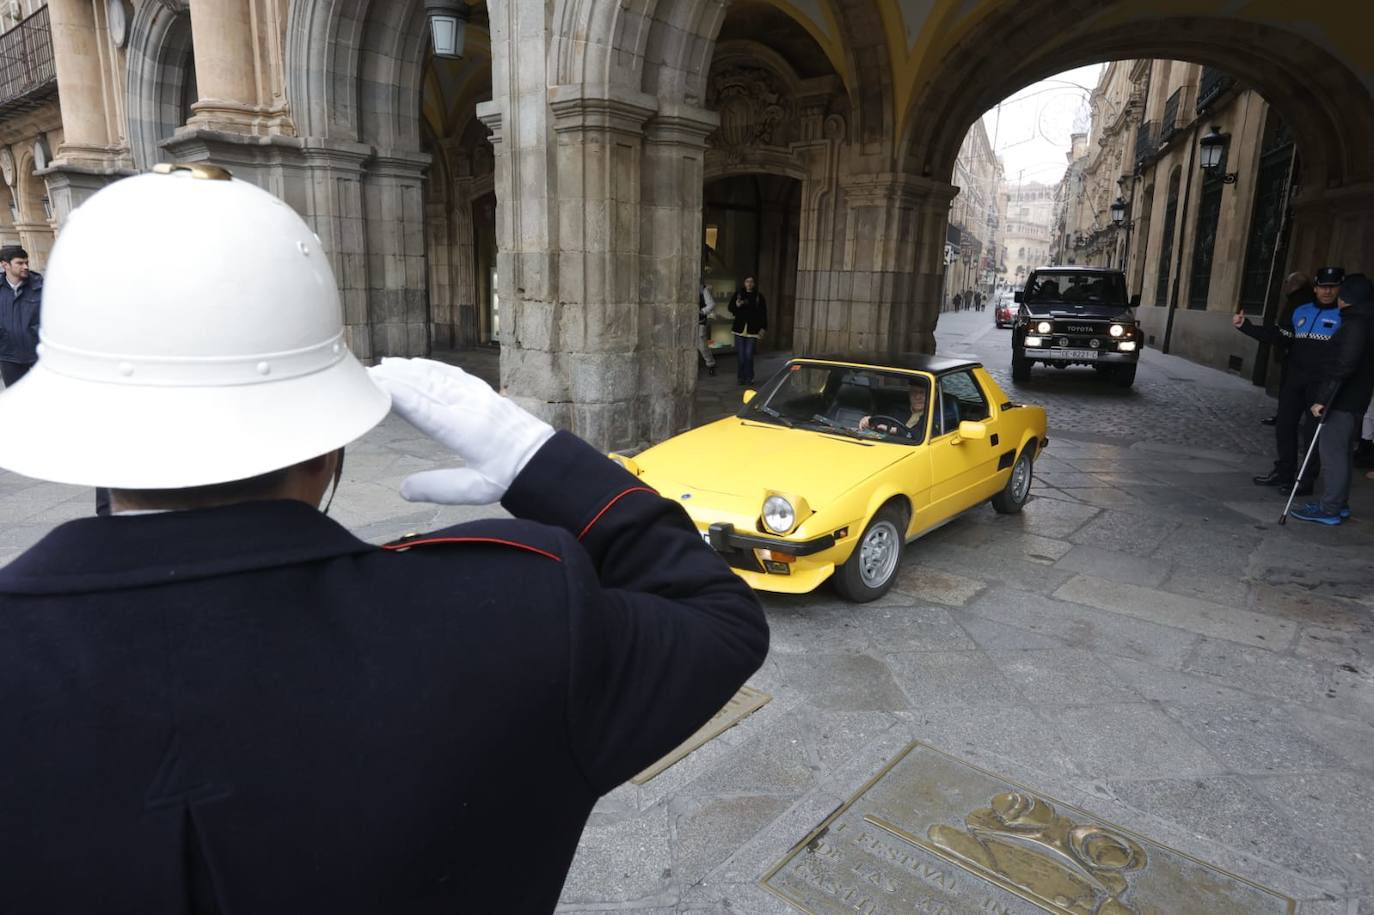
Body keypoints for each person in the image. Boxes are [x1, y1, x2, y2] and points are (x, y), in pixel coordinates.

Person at [0, 167, 768, 912]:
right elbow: (721, 620)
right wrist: (548, 465)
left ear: (80, 428)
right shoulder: (516, 613)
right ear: (329, 444)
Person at [1234, 266, 1344, 496]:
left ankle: (1304, 481)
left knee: (1312, 434)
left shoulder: (1344, 316)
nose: (1327, 291)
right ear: (1315, 288)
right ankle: (1283, 472)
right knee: (1284, 427)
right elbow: (1280, 336)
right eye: (1323, 286)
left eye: (1332, 287)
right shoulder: (1300, 310)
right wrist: (1246, 327)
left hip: (1320, 385)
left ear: (1338, 289)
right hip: (1294, 380)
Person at [1291, 274, 1374, 525]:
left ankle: (1330, 508)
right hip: (1353, 398)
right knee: (1343, 454)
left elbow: (1344, 364)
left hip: (1342, 399)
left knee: (1333, 455)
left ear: (1346, 296)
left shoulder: (1356, 324)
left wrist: (1323, 398)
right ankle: (1339, 503)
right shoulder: (1365, 320)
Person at [1257, 271, 1311, 426]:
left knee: (1289, 387)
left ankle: (1286, 417)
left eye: (1286, 282)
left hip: (1292, 351)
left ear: (1294, 284)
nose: (1284, 286)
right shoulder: (1299, 299)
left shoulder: (1298, 301)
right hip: (1293, 350)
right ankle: (1285, 416)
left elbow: (1288, 327)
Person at [0, 245, 42, 388]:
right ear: (5, 265)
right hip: (9, 357)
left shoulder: (40, 286)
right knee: (17, 403)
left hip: (39, 356)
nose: (25, 267)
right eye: (20, 263)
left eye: (26, 262)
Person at [728, 275, 767, 385]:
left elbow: (763, 313)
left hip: (753, 330)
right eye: (747, 281)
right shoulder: (739, 294)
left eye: (751, 282)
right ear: (744, 283)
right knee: (741, 356)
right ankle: (741, 377)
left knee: (749, 355)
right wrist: (737, 305)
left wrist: (763, 328)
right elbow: (730, 308)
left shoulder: (759, 297)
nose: (749, 284)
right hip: (739, 329)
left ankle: (749, 377)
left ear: (754, 284)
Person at [858, 382, 928, 437]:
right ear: (909, 393)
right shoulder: (897, 410)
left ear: (934, 396)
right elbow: (880, 421)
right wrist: (869, 421)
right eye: (914, 392)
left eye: (922, 393)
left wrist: (893, 430)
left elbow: (920, 436)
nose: (917, 397)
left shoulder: (935, 417)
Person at [697, 279, 717, 376]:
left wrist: (702, 311)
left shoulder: (703, 289)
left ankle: (711, 364)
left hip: (700, 321)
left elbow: (711, 304)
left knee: (702, 345)